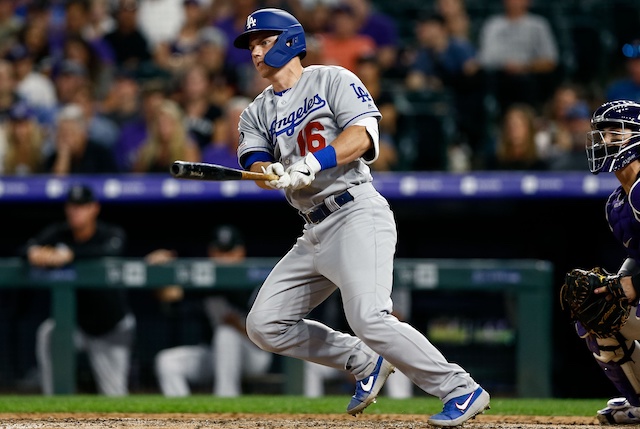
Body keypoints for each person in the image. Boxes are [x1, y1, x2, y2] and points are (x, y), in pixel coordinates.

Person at [232, 8, 490, 426]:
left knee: (369, 316)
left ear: (290, 41)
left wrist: (311, 163)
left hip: (354, 212)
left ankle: (459, 388)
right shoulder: (255, 111)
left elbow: (364, 134)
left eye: (264, 42)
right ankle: (363, 359)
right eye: (252, 46)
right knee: (264, 325)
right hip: (312, 229)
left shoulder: (333, 78)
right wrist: (271, 173)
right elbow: (257, 164)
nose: (256, 52)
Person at [21, 183, 135, 396]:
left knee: (115, 397)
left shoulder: (109, 233)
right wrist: (34, 252)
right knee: (49, 333)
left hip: (110, 327)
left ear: (94, 208)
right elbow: (26, 247)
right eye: (72, 206)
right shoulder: (59, 233)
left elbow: (111, 249)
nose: (76, 211)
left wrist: (70, 255)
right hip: (76, 326)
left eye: (82, 206)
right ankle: (54, 400)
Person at [568, 99, 640, 424]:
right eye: (602, 134)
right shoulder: (617, 204)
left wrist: (632, 286)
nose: (605, 141)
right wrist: (617, 283)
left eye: (615, 133)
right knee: (596, 310)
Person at [151, 224, 273, 397]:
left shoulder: (253, 283)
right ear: (211, 252)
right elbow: (171, 297)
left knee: (226, 333)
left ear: (240, 252)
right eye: (219, 252)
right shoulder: (206, 281)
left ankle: (226, 400)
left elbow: (269, 336)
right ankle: (184, 418)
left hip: (254, 354)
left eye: (229, 252)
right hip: (215, 354)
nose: (223, 258)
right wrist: (161, 270)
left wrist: (237, 326)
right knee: (167, 362)